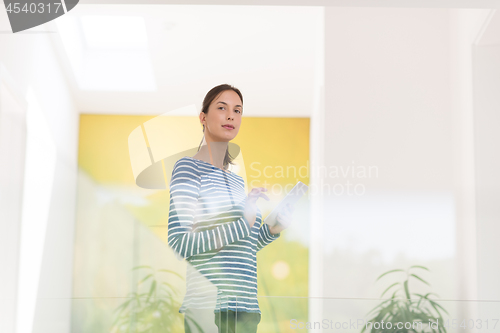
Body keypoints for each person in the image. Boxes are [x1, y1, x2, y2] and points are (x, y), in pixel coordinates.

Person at [167, 84, 295, 333]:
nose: (231, 116)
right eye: (222, 108)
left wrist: (272, 230)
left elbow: (241, 247)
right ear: (203, 117)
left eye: (237, 110)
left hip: (246, 308)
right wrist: (242, 223)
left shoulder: (236, 181)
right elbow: (178, 243)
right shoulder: (188, 169)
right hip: (210, 306)